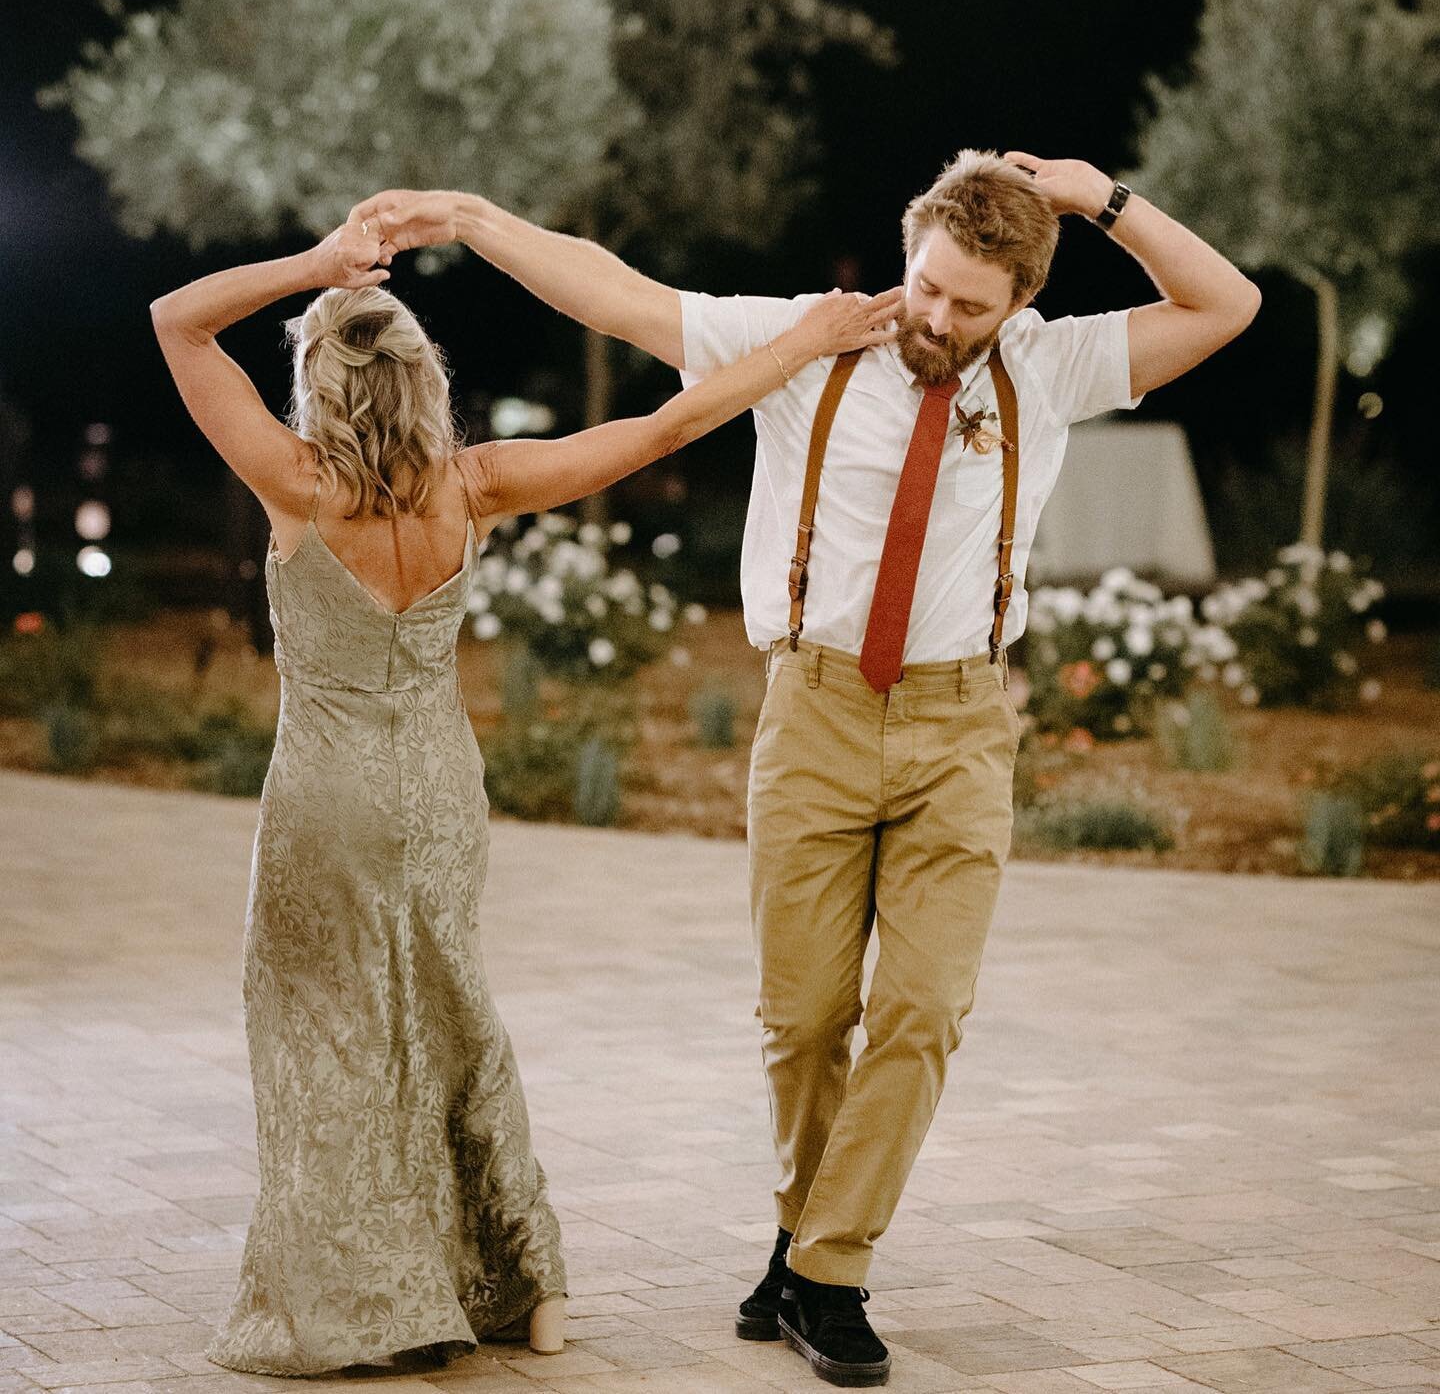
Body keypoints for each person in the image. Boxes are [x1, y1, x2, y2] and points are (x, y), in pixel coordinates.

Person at [352, 149, 1261, 1388]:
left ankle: (829, 1270)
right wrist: (466, 213)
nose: (937, 318)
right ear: (909, 255)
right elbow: (613, 293)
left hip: (960, 725)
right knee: (803, 1019)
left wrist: (1101, 198)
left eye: (970, 304)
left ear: (1020, 302)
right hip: (815, 711)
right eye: (927, 285)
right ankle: (798, 1238)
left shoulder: (1047, 371)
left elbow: (1227, 306)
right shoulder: (803, 345)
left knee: (926, 1009)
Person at [149, 213, 900, 1378]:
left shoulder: (297, 486)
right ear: (423, 383)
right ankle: (527, 1288)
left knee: (333, 1038)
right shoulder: (476, 485)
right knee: (453, 1020)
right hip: (443, 790)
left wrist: (318, 267)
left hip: (326, 795)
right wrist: (810, 338)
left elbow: (175, 319)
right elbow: (670, 421)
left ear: (322, 386)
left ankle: (369, 1308)